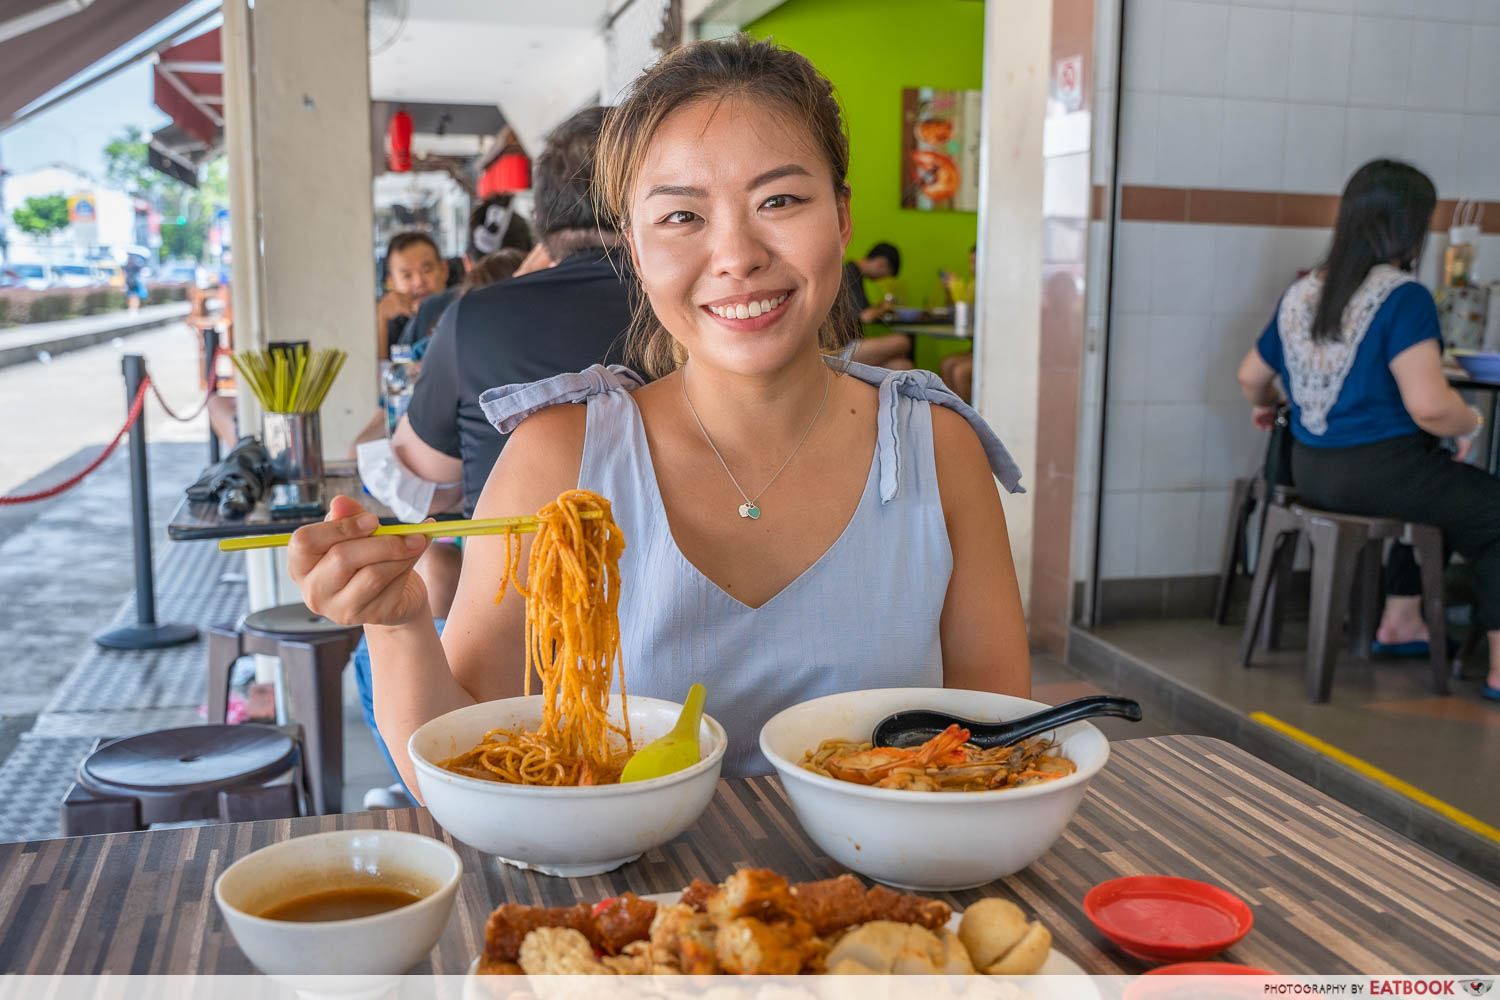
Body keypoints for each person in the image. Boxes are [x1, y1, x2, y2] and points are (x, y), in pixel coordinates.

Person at [289, 36, 1030, 795]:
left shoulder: (936, 450)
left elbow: (1001, 746)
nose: (736, 255)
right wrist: (397, 621)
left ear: (840, 218)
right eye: (682, 216)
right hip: (616, 903)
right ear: (637, 251)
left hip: (887, 898)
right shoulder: (558, 456)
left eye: (779, 200)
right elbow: (454, 770)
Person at [1237, 159, 1500, 703]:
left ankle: (1401, 622)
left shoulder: (1307, 291)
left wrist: (1271, 403)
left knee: (1446, 492)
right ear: (1408, 225)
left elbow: (1249, 377)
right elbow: (1430, 407)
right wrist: (1470, 421)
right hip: (1383, 472)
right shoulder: (1403, 296)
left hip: (1312, 470)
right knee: (1491, 508)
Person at [375, 232, 447, 361]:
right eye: (407, 275)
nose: (419, 282)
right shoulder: (389, 326)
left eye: (427, 270)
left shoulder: (463, 310)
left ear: (444, 270)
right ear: (391, 283)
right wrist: (381, 319)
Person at [845, 242, 913, 369]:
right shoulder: (850, 273)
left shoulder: (855, 273)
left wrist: (879, 306)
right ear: (881, 263)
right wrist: (884, 307)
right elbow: (866, 316)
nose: (882, 279)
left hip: (848, 345)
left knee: (903, 366)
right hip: (837, 349)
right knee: (903, 341)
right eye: (885, 274)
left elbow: (860, 310)